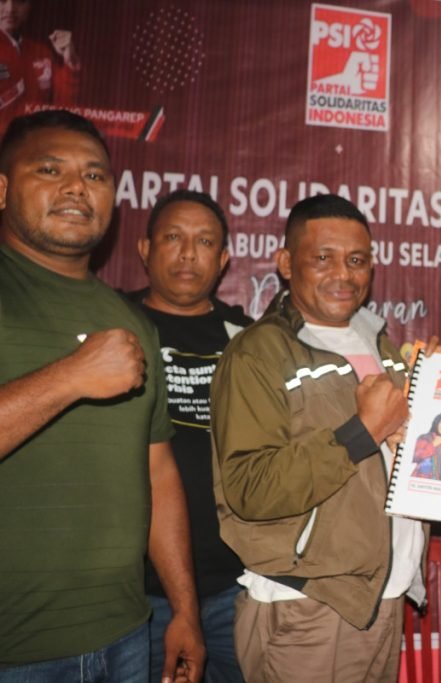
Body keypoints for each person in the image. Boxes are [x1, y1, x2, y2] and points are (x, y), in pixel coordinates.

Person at [0, 110, 203, 681]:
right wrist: (71, 377)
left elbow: (158, 471)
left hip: (126, 636)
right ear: (3, 189)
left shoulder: (131, 321)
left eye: (95, 175)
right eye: (50, 169)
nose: (77, 187)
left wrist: (184, 609)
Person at [210, 193, 426, 683]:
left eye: (357, 261)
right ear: (286, 263)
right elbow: (250, 488)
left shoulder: (382, 345)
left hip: (384, 596)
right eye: (323, 258)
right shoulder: (258, 353)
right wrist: (362, 432)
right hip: (308, 605)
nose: (343, 274)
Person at [128, 189, 252, 683]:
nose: (187, 254)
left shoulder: (248, 339)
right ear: (145, 248)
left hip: (234, 584)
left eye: (204, 242)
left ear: (222, 260)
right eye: (173, 238)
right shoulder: (111, 324)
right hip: (133, 593)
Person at [0, 0, 81, 132]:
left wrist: (69, 61)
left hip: (37, 140)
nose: (10, 9)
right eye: (2, 1)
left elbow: (64, 107)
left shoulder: (41, 53)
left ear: (29, 6)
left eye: (19, 1)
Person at [412, 412, 441, 480]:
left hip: (440, 480)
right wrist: (433, 445)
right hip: (422, 478)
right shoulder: (424, 437)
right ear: (436, 423)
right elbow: (416, 458)